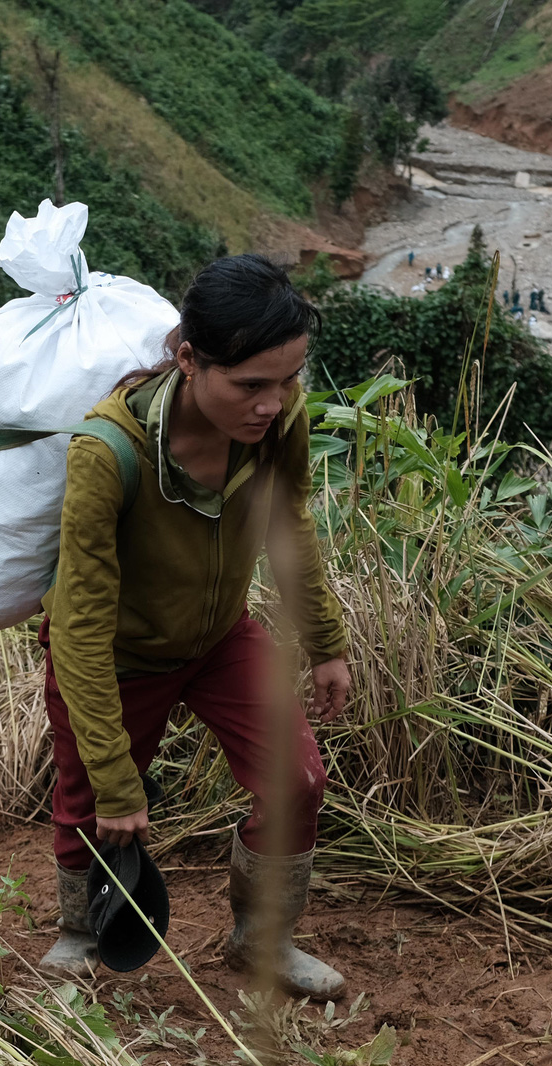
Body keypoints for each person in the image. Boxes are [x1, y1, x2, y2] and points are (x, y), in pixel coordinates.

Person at [38, 253, 352, 998]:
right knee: (90, 801)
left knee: (299, 780)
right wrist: (121, 783)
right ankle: (83, 935)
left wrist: (326, 643)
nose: (272, 403)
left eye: (288, 380)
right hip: (114, 655)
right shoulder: (106, 454)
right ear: (187, 360)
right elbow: (80, 625)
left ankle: (263, 938)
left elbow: (291, 526)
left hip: (218, 640)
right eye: (250, 385)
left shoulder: (278, 424)